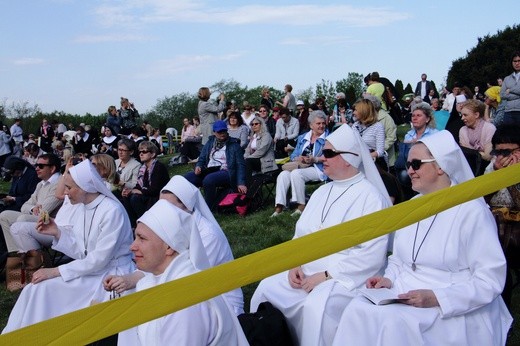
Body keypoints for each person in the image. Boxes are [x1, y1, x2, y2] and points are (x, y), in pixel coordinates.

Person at [332, 130, 512, 346]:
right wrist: (388, 279)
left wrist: (437, 298)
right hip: (406, 290)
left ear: (440, 166)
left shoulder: (472, 210)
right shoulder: (413, 206)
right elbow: (399, 259)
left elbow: (489, 280)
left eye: (416, 164)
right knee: (355, 309)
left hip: (453, 301)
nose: (409, 171)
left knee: (391, 322)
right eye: (408, 165)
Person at [251, 124, 392, 346]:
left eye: (327, 153)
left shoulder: (371, 198)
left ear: (349, 158)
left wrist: (326, 275)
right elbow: (300, 235)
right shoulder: (321, 191)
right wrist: (294, 263)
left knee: (317, 307)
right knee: (267, 287)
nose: (321, 158)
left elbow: (370, 256)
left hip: (344, 276)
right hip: (305, 268)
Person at [2, 159, 135, 333]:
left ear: (85, 187)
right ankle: (17, 338)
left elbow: (99, 259)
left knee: (43, 290)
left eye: (69, 188)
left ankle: (37, 336)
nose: (64, 193)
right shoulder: (83, 207)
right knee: (32, 289)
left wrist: (55, 271)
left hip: (111, 274)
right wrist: (57, 232)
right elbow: (82, 251)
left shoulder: (112, 210)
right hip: (90, 270)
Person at [106, 200, 248, 345]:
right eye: (135, 236)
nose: (132, 246)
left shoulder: (186, 299)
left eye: (142, 238)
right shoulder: (148, 282)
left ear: (169, 246)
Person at [104, 175, 246, 315]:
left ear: (187, 208)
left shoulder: (208, 235)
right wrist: (127, 280)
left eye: (170, 207)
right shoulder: (169, 228)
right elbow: (155, 262)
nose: (164, 212)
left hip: (215, 301)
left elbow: (192, 279)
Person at [0, 154, 63, 270]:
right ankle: (16, 254)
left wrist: (36, 208)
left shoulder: (59, 183)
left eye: (40, 166)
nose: (36, 168)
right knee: (4, 216)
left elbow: (44, 212)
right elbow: (25, 206)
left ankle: (32, 261)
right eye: (36, 165)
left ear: (52, 168)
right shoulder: (41, 184)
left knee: (22, 219)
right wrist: (32, 208)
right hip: (37, 219)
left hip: (53, 224)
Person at [485, 125, 520, 308]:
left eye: (508, 152)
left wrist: (512, 177)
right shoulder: (492, 168)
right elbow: (482, 202)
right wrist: (498, 175)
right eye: (498, 152)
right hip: (497, 231)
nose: (502, 157)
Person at [272, 111, 328, 217]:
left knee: (296, 174)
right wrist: (298, 158)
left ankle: (301, 206)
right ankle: (279, 207)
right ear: (311, 125)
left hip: (319, 168)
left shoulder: (328, 138)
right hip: (301, 166)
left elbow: (330, 156)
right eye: (318, 123)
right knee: (283, 175)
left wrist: (315, 159)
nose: (321, 126)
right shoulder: (303, 137)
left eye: (323, 123)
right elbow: (293, 155)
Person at [185, 120, 247, 210]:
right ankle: (189, 206)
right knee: (188, 178)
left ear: (227, 131)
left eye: (224, 131)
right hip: (210, 169)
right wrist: (198, 166)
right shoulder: (210, 143)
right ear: (214, 132)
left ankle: (208, 209)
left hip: (226, 171)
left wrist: (241, 183)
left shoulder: (234, 145)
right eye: (219, 132)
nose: (222, 133)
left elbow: (241, 165)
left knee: (208, 180)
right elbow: (201, 158)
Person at [121, 141, 169, 226]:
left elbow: (155, 189)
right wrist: (130, 190)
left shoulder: (158, 167)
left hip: (158, 196)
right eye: (140, 152)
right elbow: (139, 186)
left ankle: (145, 223)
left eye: (144, 152)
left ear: (153, 154)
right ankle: (133, 225)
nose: (141, 154)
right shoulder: (143, 168)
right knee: (126, 195)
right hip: (147, 194)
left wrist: (138, 192)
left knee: (135, 198)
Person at [352, 99, 388, 171]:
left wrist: (364, 158)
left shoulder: (377, 126)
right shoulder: (355, 126)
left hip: (375, 164)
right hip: (358, 164)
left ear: (363, 111)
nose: (353, 113)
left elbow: (380, 151)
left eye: (356, 110)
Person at [244, 116, 278, 186]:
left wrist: (248, 158)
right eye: (252, 124)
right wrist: (245, 157)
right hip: (254, 161)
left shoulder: (266, 136)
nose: (254, 126)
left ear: (261, 124)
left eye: (256, 124)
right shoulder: (253, 137)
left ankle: (248, 185)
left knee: (248, 161)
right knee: (241, 163)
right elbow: (247, 150)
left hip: (265, 162)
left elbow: (261, 151)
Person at [500, 52, 520, 126]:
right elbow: (502, 95)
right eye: (515, 61)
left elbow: (507, 93)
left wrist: (510, 90)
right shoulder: (507, 78)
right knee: (509, 136)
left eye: (519, 61)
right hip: (508, 112)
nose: (517, 63)